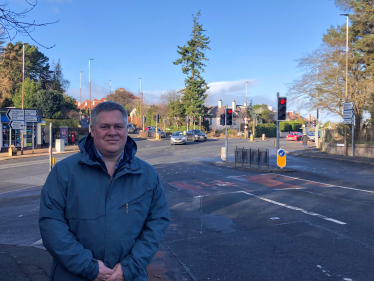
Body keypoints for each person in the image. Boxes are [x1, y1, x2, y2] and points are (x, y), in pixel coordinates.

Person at [39, 101, 170, 281]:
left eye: (118, 126)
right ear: (92, 130)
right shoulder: (64, 172)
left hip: (129, 276)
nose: (112, 132)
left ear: (126, 129)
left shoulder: (147, 174)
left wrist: (129, 267)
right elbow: (51, 224)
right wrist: (88, 266)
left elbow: (157, 222)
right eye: (104, 126)